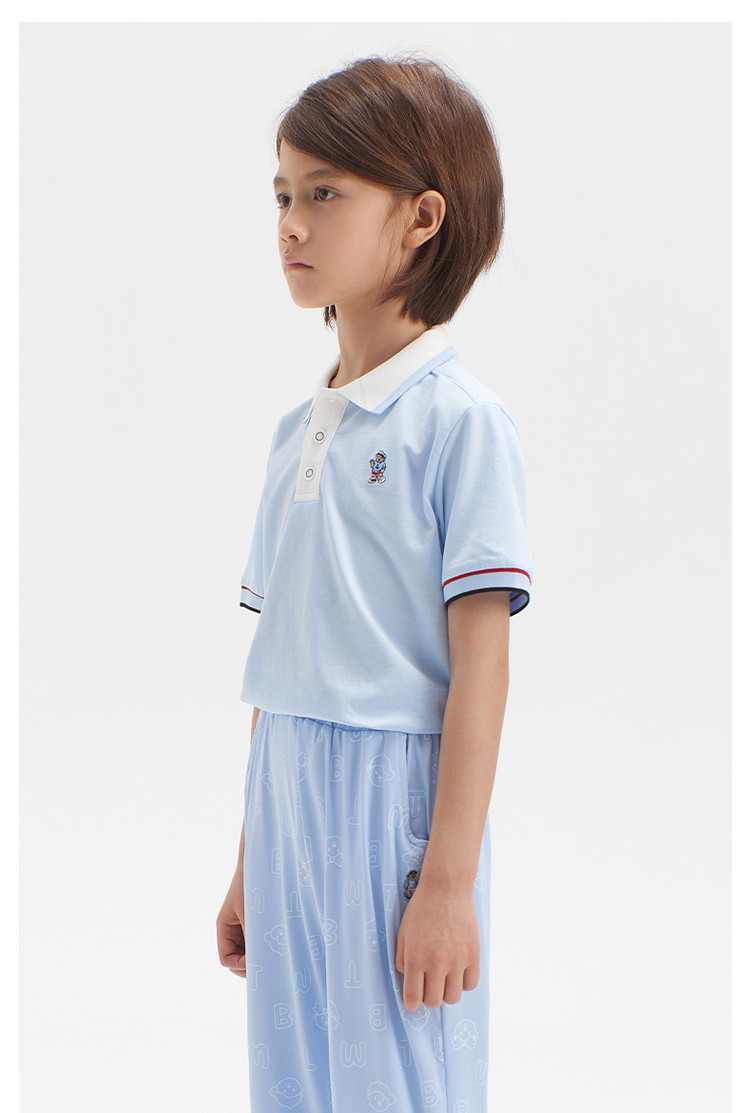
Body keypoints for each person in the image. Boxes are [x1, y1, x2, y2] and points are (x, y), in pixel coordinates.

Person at [216, 53, 533, 1113]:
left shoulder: (461, 425)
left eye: (324, 194)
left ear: (422, 217)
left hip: (392, 790)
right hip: (288, 782)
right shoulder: (294, 433)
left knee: (396, 1081)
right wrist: (250, 858)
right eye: (281, 196)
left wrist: (446, 882)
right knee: (295, 1082)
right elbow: (282, 659)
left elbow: (482, 671)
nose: (290, 225)